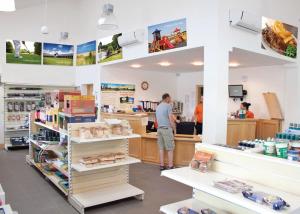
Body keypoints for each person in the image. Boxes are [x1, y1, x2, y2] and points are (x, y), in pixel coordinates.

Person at [156, 93, 176, 171]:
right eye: (170, 98)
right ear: (167, 98)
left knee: (161, 148)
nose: (170, 100)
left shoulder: (158, 107)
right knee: (170, 148)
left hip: (159, 129)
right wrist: (174, 128)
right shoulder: (168, 106)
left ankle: (162, 165)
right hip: (166, 129)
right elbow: (171, 119)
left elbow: (157, 119)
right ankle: (170, 166)